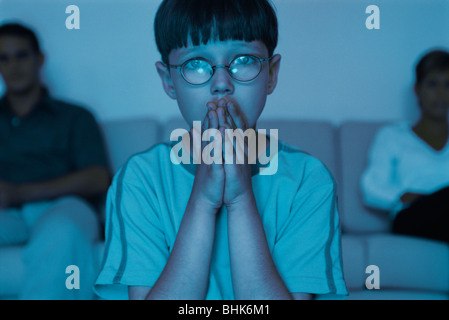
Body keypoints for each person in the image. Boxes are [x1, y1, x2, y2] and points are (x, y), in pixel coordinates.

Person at [95, 0, 347, 300]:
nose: (221, 83)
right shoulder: (140, 178)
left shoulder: (308, 179)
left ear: (272, 74)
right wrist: (202, 200)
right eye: (196, 64)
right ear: (169, 81)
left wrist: (240, 199)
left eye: (243, 60)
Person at [0, 22, 110, 299]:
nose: (13, 66)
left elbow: (98, 178)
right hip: (7, 214)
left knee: (61, 231)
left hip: (65, 206)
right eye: (3, 58)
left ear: (40, 59)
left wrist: (21, 192)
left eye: (21, 55)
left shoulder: (75, 116)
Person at [361, 49, 449, 244]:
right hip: (412, 216)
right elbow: (371, 186)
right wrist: (402, 196)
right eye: (433, 84)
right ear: (417, 89)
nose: (441, 94)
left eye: (448, 85)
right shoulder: (392, 136)